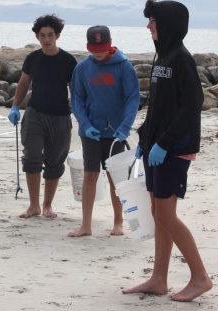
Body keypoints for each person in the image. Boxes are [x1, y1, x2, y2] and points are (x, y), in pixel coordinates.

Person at [122, 0, 212, 302]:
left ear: (168, 24)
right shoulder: (163, 57)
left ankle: (200, 277)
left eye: (153, 21)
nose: (149, 26)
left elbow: (191, 106)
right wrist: (146, 139)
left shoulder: (181, 60)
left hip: (174, 149)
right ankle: (158, 279)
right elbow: (159, 107)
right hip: (156, 146)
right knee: (158, 213)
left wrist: (164, 143)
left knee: (166, 215)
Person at [68, 25, 140, 237]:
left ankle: (118, 223)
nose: (98, 52)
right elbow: (77, 99)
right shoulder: (82, 68)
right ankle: (86, 225)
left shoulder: (124, 67)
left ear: (110, 44)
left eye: (101, 47)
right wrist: (85, 125)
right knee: (90, 175)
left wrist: (125, 127)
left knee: (115, 179)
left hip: (116, 133)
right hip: (91, 132)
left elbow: (132, 98)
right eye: (94, 48)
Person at [8, 15, 78, 219]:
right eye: (42, 35)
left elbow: (76, 89)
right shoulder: (33, 58)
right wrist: (14, 106)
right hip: (34, 114)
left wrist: (81, 113)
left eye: (50, 35)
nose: (46, 39)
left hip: (60, 116)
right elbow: (23, 84)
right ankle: (33, 206)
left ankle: (47, 205)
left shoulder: (68, 60)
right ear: (38, 37)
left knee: (55, 161)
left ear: (57, 35)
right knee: (31, 158)